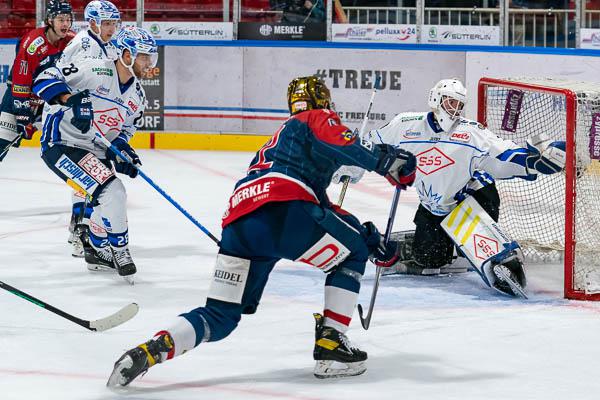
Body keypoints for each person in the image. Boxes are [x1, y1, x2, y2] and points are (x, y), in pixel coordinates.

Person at [106, 76, 417, 386]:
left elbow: (319, 209)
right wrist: (387, 163)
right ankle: (331, 344)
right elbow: (341, 151)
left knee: (221, 317)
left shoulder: (280, 144)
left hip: (240, 223)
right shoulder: (316, 118)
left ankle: (150, 350)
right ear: (323, 102)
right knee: (351, 256)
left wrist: (363, 233)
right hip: (283, 212)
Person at [333, 78, 566, 296]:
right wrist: (350, 162)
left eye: (459, 104)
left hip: (473, 197)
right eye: (451, 102)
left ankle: (494, 253)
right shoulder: (404, 125)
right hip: (435, 204)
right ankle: (439, 242)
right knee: (429, 259)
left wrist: (532, 162)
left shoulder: (471, 132)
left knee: (474, 235)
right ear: (436, 99)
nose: (455, 109)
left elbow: (504, 152)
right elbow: (369, 144)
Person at [31, 26, 157, 283]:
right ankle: (119, 251)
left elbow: (123, 131)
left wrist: (122, 150)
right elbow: (43, 78)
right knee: (113, 191)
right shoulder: (94, 68)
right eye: (144, 56)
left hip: (94, 149)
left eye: (151, 57)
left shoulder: (138, 96)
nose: (149, 63)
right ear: (126, 54)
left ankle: (98, 250)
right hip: (62, 142)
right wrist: (71, 100)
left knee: (106, 199)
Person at [58, 0, 122, 262]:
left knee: (91, 179)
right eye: (106, 23)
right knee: (94, 179)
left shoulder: (103, 44)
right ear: (93, 22)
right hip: (75, 119)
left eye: (113, 23)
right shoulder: (85, 45)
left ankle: (80, 231)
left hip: (89, 118)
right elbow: (68, 80)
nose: (111, 28)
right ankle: (82, 234)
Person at [0, 0, 75, 162]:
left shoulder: (71, 41)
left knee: (72, 141)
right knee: (2, 142)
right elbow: (20, 80)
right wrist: (22, 116)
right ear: (50, 20)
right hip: (19, 98)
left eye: (68, 19)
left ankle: (82, 185)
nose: (66, 24)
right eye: (61, 19)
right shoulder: (34, 43)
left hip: (48, 100)